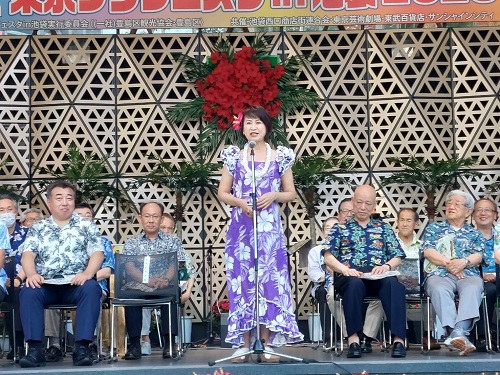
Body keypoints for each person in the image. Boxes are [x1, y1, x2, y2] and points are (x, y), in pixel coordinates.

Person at [217, 106, 303, 363]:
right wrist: (240, 203)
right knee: (242, 283)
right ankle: (243, 344)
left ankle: (265, 343)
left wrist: (275, 195)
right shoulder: (234, 156)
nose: (253, 128)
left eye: (258, 123)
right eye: (248, 124)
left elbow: (291, 192)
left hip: (269, 233)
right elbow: (223, 192)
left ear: (267, 127)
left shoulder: (281, 156)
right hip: (241, 231)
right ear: (242, 128)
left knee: (268, 282)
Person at [18, 181, 104, 368]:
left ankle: (81, 348)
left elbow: (98, 253)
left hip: (76, 283)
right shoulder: (38, 228)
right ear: (49, 202)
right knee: (29, 290)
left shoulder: (86, 226)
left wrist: (87, 273)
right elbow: (27, 255)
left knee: (91, 288)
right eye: (59, 198)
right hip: (46, 284)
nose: (65, 202)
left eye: (69, 198)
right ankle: (34, 350)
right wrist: (31, 274)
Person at [322, 185, 407, 359]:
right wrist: (345, 270)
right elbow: (328, 257)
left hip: (378, 275)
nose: (362, 207)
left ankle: (399, 340)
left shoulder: (383, 228)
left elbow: (398, 256)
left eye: (368, 203)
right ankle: (353, 340)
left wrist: (387, 266)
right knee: (354, 285)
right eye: (359, 202)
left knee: (394, 286)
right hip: (350, 275)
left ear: (374, 205)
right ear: (352, 202)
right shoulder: (340, 228)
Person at [122, 202, 195, 360]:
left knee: (172, 292)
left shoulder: (172, 241)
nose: (151, 220)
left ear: (161, 219)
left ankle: (170, 343)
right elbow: (129, 267)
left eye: (155, 216)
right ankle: (135, 344)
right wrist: (147, 281)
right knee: (130, 294)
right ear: (140, 218)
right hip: (139, 285)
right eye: (147, 216)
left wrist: (166, 279)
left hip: (164, 284)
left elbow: (175, 263)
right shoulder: (132, 242)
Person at [44, 202, 115, 362]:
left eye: (87, 216)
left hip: (94, 285)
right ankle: (54, 344)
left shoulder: (103, 241)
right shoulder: (60, 240)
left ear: (93, 219)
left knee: (90, 293)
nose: (83, 219)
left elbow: (107, 270)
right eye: (79, 216)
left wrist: (84, 277)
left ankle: (87, 344)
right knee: (49, 293)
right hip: (63, 286)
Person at [422, 190, 485, 356]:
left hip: (467, 273)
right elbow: (428, 251)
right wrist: (449, 264)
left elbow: (479, 255)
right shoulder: (434, 228)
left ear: (468, 211)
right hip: (440, 273)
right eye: (449, 203)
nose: (451, 206)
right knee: (439, 288)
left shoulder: (474, 233)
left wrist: (463, 263)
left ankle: (457, 333)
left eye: (457, 204)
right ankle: (456, 334)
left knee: (474, 287)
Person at [325, 198, 385, 354]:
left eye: (351, 212)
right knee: (332, 295)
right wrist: (345, 272)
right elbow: (328, 264)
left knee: (378, 296)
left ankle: (367, 336)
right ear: (338, 215)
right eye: (345, 211)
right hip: (339, 281)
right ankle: (352, 335)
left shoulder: (369, 232)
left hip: (366, 279)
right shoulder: (336, 232)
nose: (349, 215)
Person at [140, 212, 194, 355]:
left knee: (171, 295)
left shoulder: (176, 243)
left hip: (169, 285)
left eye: (170, 228)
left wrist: (187, 292)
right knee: (140, 297)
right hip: (147, 284)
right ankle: (144, 339)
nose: (166, 231)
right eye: (163, 227)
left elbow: (190, 270)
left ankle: (170, 342)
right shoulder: (143, 242)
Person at [395, 208, 440, 350]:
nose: (405, 224)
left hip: (418, 286)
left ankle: (428, 334)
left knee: (430, 290)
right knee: (394, 291)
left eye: (409, 220)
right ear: (397, 222)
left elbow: (430, 268)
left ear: (416, 224)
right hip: (396, 284)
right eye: (402, 220)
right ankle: (402, 335)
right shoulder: (391, 245)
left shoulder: (423, 247)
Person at [0, 194, 28, 360]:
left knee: (19, 292)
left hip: (21, 279)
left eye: (9, 209)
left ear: (17, 212)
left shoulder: (28, 233)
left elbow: (32, 259)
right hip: (2, 279)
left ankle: (18, 344)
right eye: (1, 210)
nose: (5, 213)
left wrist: (18, 279)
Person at [472, 197, 499, 351]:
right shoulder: (467, 237)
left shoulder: (499, 236)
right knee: (489, 290)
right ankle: (485, 335)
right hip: (477, 279)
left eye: (487, 210)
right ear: (473, 215)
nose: (483, 213)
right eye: (479, 210)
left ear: (495, 215)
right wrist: (483, 276)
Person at [307, 217, 337, 343]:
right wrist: (328, 275)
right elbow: (314, 273)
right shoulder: (315, 251)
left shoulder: (346, 247)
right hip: (324, 283)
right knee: (323, 293)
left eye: (334, 228)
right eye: (327, 228)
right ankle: (329, 337)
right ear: (323, 231)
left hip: (343, 282)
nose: (330, 231)